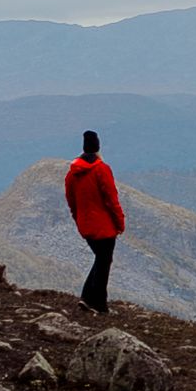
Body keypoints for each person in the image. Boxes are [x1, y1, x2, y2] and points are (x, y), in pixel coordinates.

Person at [61, 128, 127, 314]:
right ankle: (96, 303)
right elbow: (111, 199)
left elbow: (71, 201)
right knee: (104, 262)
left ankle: (90, 299)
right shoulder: (101, 169)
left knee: (101, 260)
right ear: (98, 148)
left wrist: (78, 220)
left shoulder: (72, 174)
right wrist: (120, 223)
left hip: (86, 225)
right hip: (104, 226)